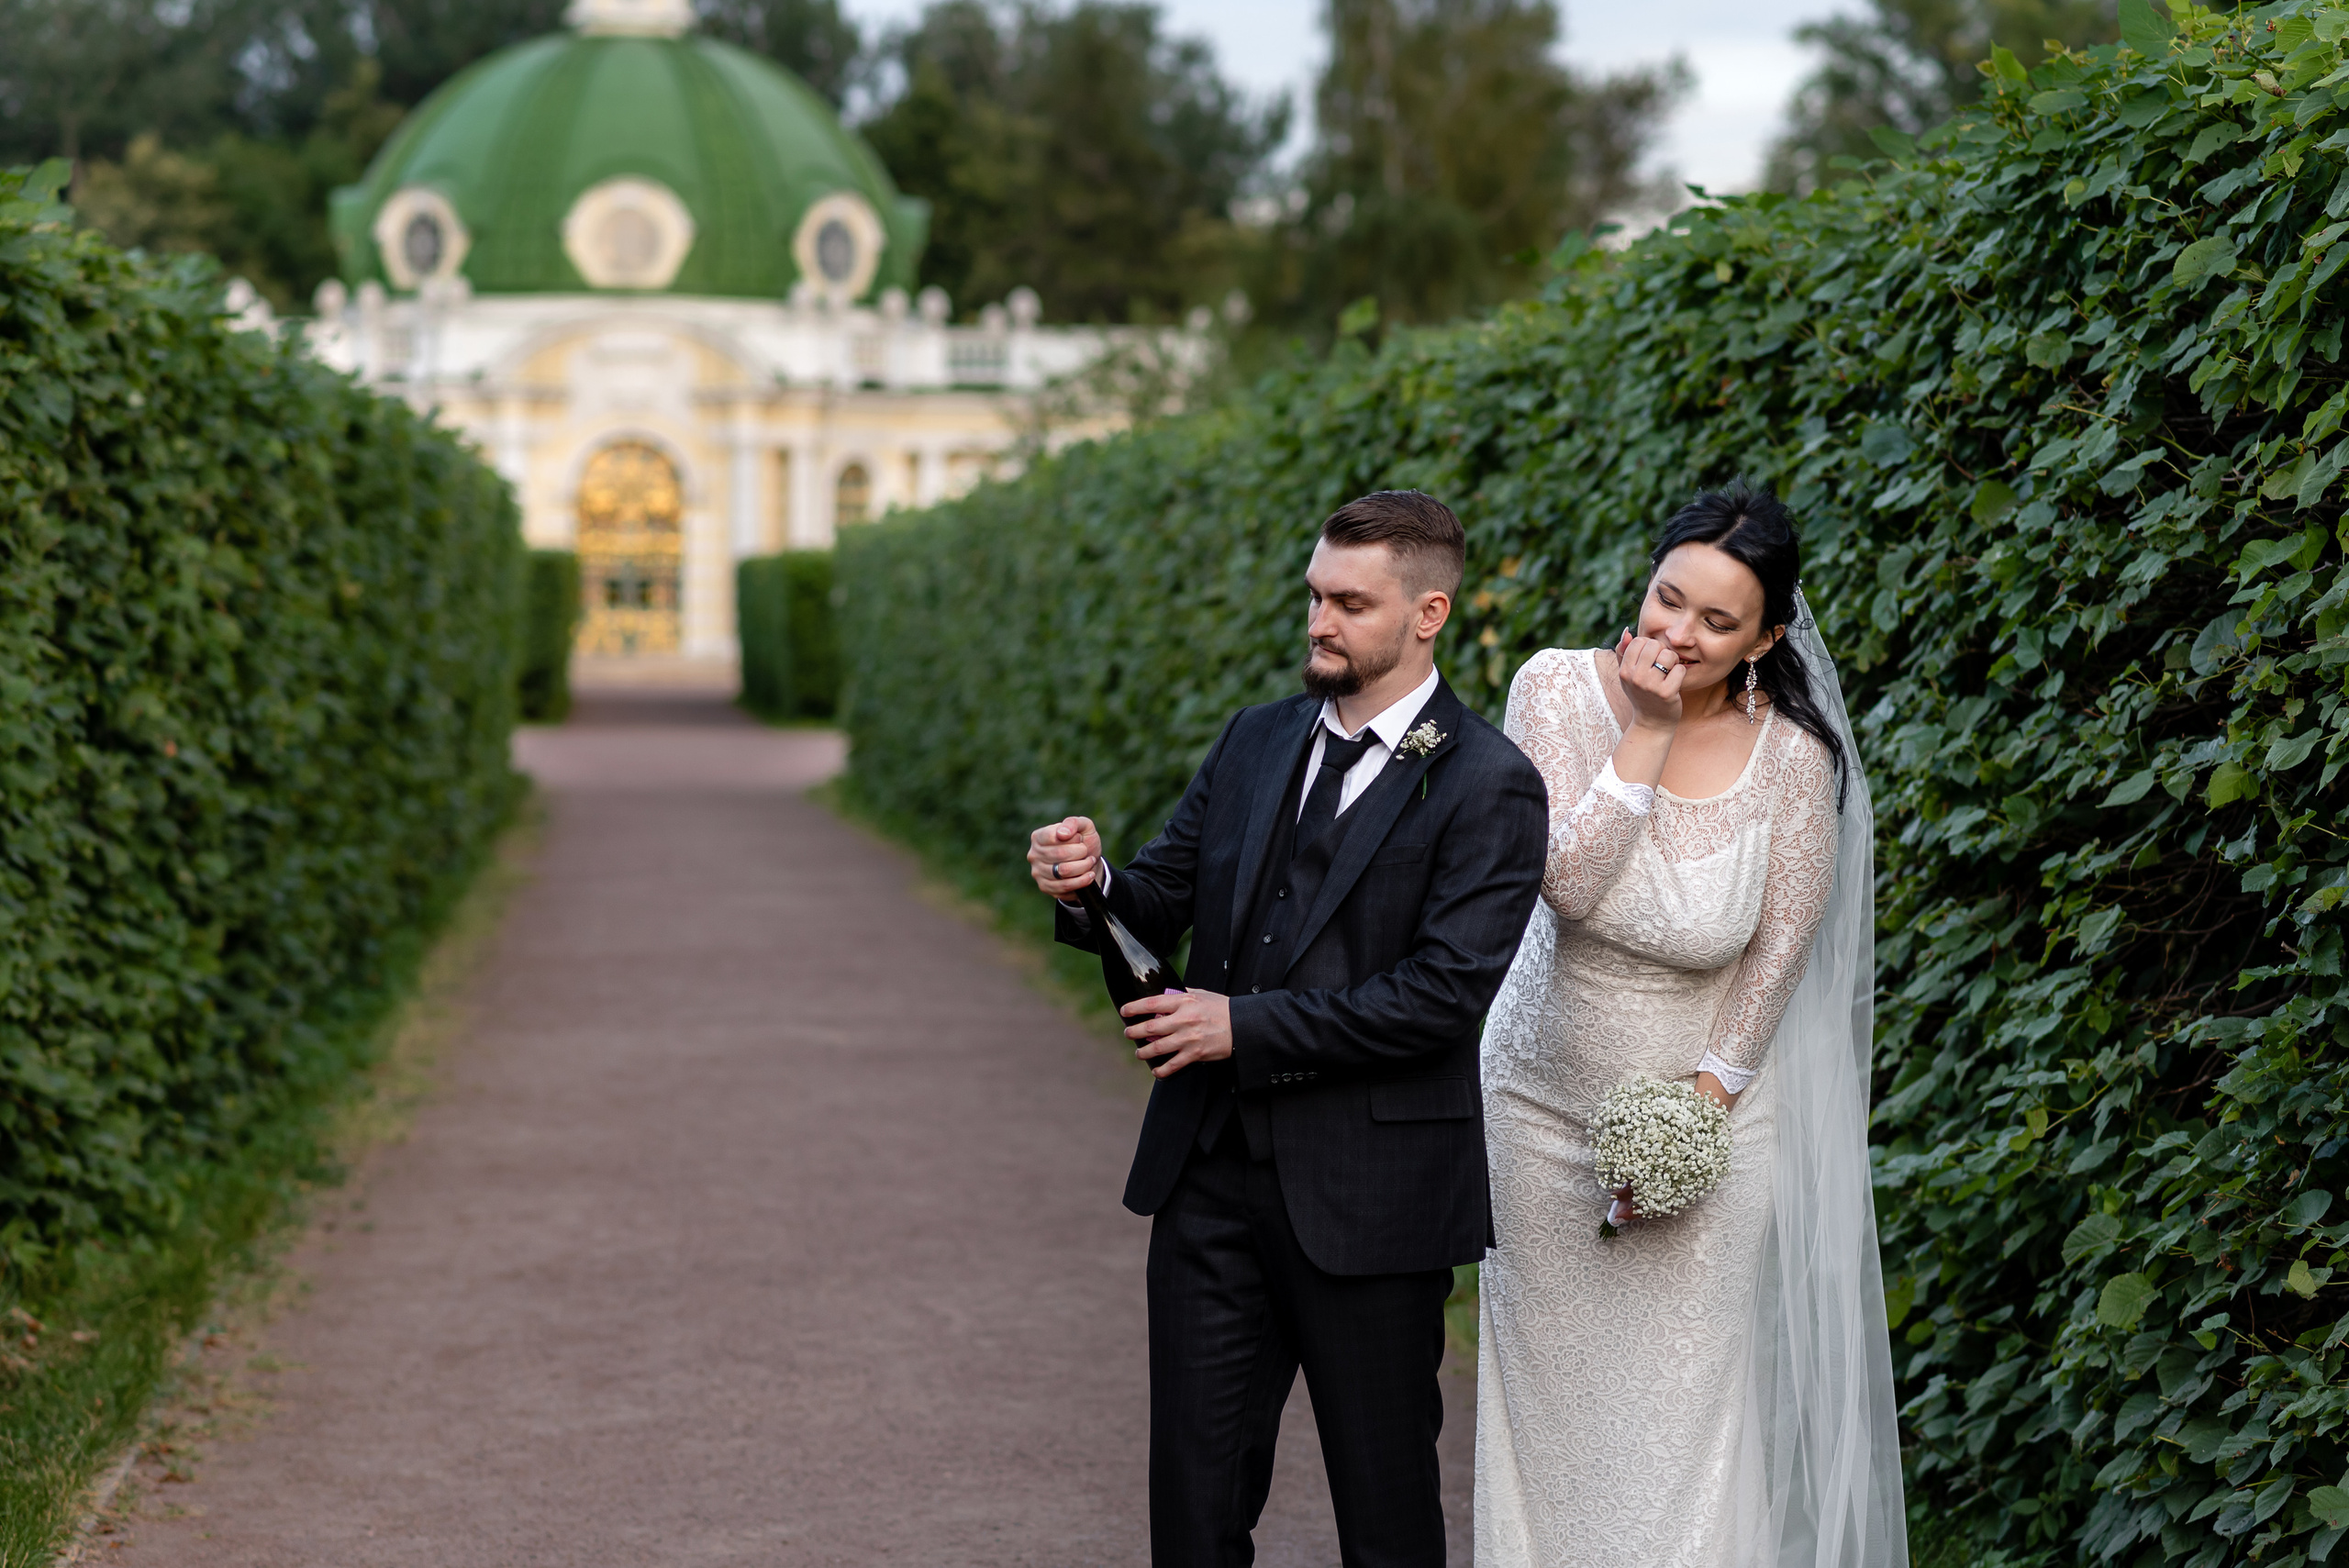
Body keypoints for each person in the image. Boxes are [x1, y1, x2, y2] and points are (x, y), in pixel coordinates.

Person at [1028, 491, 1548, 1568]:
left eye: (1350, 602)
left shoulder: (1491, 781)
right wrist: (1092, 878)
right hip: (1207, 1180)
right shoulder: (1255, 738)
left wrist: (1243, 1026)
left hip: (1376, 1199)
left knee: (1386, 1517)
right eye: (1315, 594)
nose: (1319, 620)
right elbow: (1159, 895)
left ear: (1428, 612)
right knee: (1194, 1510)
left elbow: (1443, 996)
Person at [1474, 484, 1907, 1568]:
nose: (1677, 633)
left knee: (1682, 1415)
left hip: (1703, 1124)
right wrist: (1651, 733)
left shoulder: (1794, 758)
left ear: (1764, 638)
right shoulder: (1554, 689)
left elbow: (1778, 949)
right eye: (1669, 599)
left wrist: (1697, 1116)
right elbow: (1565, 884)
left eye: (1718, 622)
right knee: (1546, 1410)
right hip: (1531, 1107)